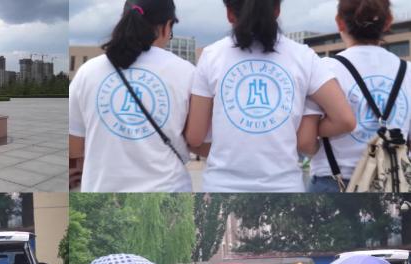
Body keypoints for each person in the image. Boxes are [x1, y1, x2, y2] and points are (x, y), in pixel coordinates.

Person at [184, 0, 356, 192]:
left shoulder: (211, 56)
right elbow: (345, 120)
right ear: (277, 10)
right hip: (285, 188)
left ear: (230, 14)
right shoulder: (303, 57)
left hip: (221, 186)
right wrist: (299, 133)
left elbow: (195, 137)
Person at [69, 0, 194, 192]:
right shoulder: (187, 73)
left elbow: (74, 147)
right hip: (168, 188)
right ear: (167, 27)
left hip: (102, 190)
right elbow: (196, 139)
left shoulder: (88, 72)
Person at [300, 0, 411, 192]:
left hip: (334, 182)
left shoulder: (324, 69)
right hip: (391, 186)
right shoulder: (408, 72)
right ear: (388, 22)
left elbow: (305, 142)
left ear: (339, 22)